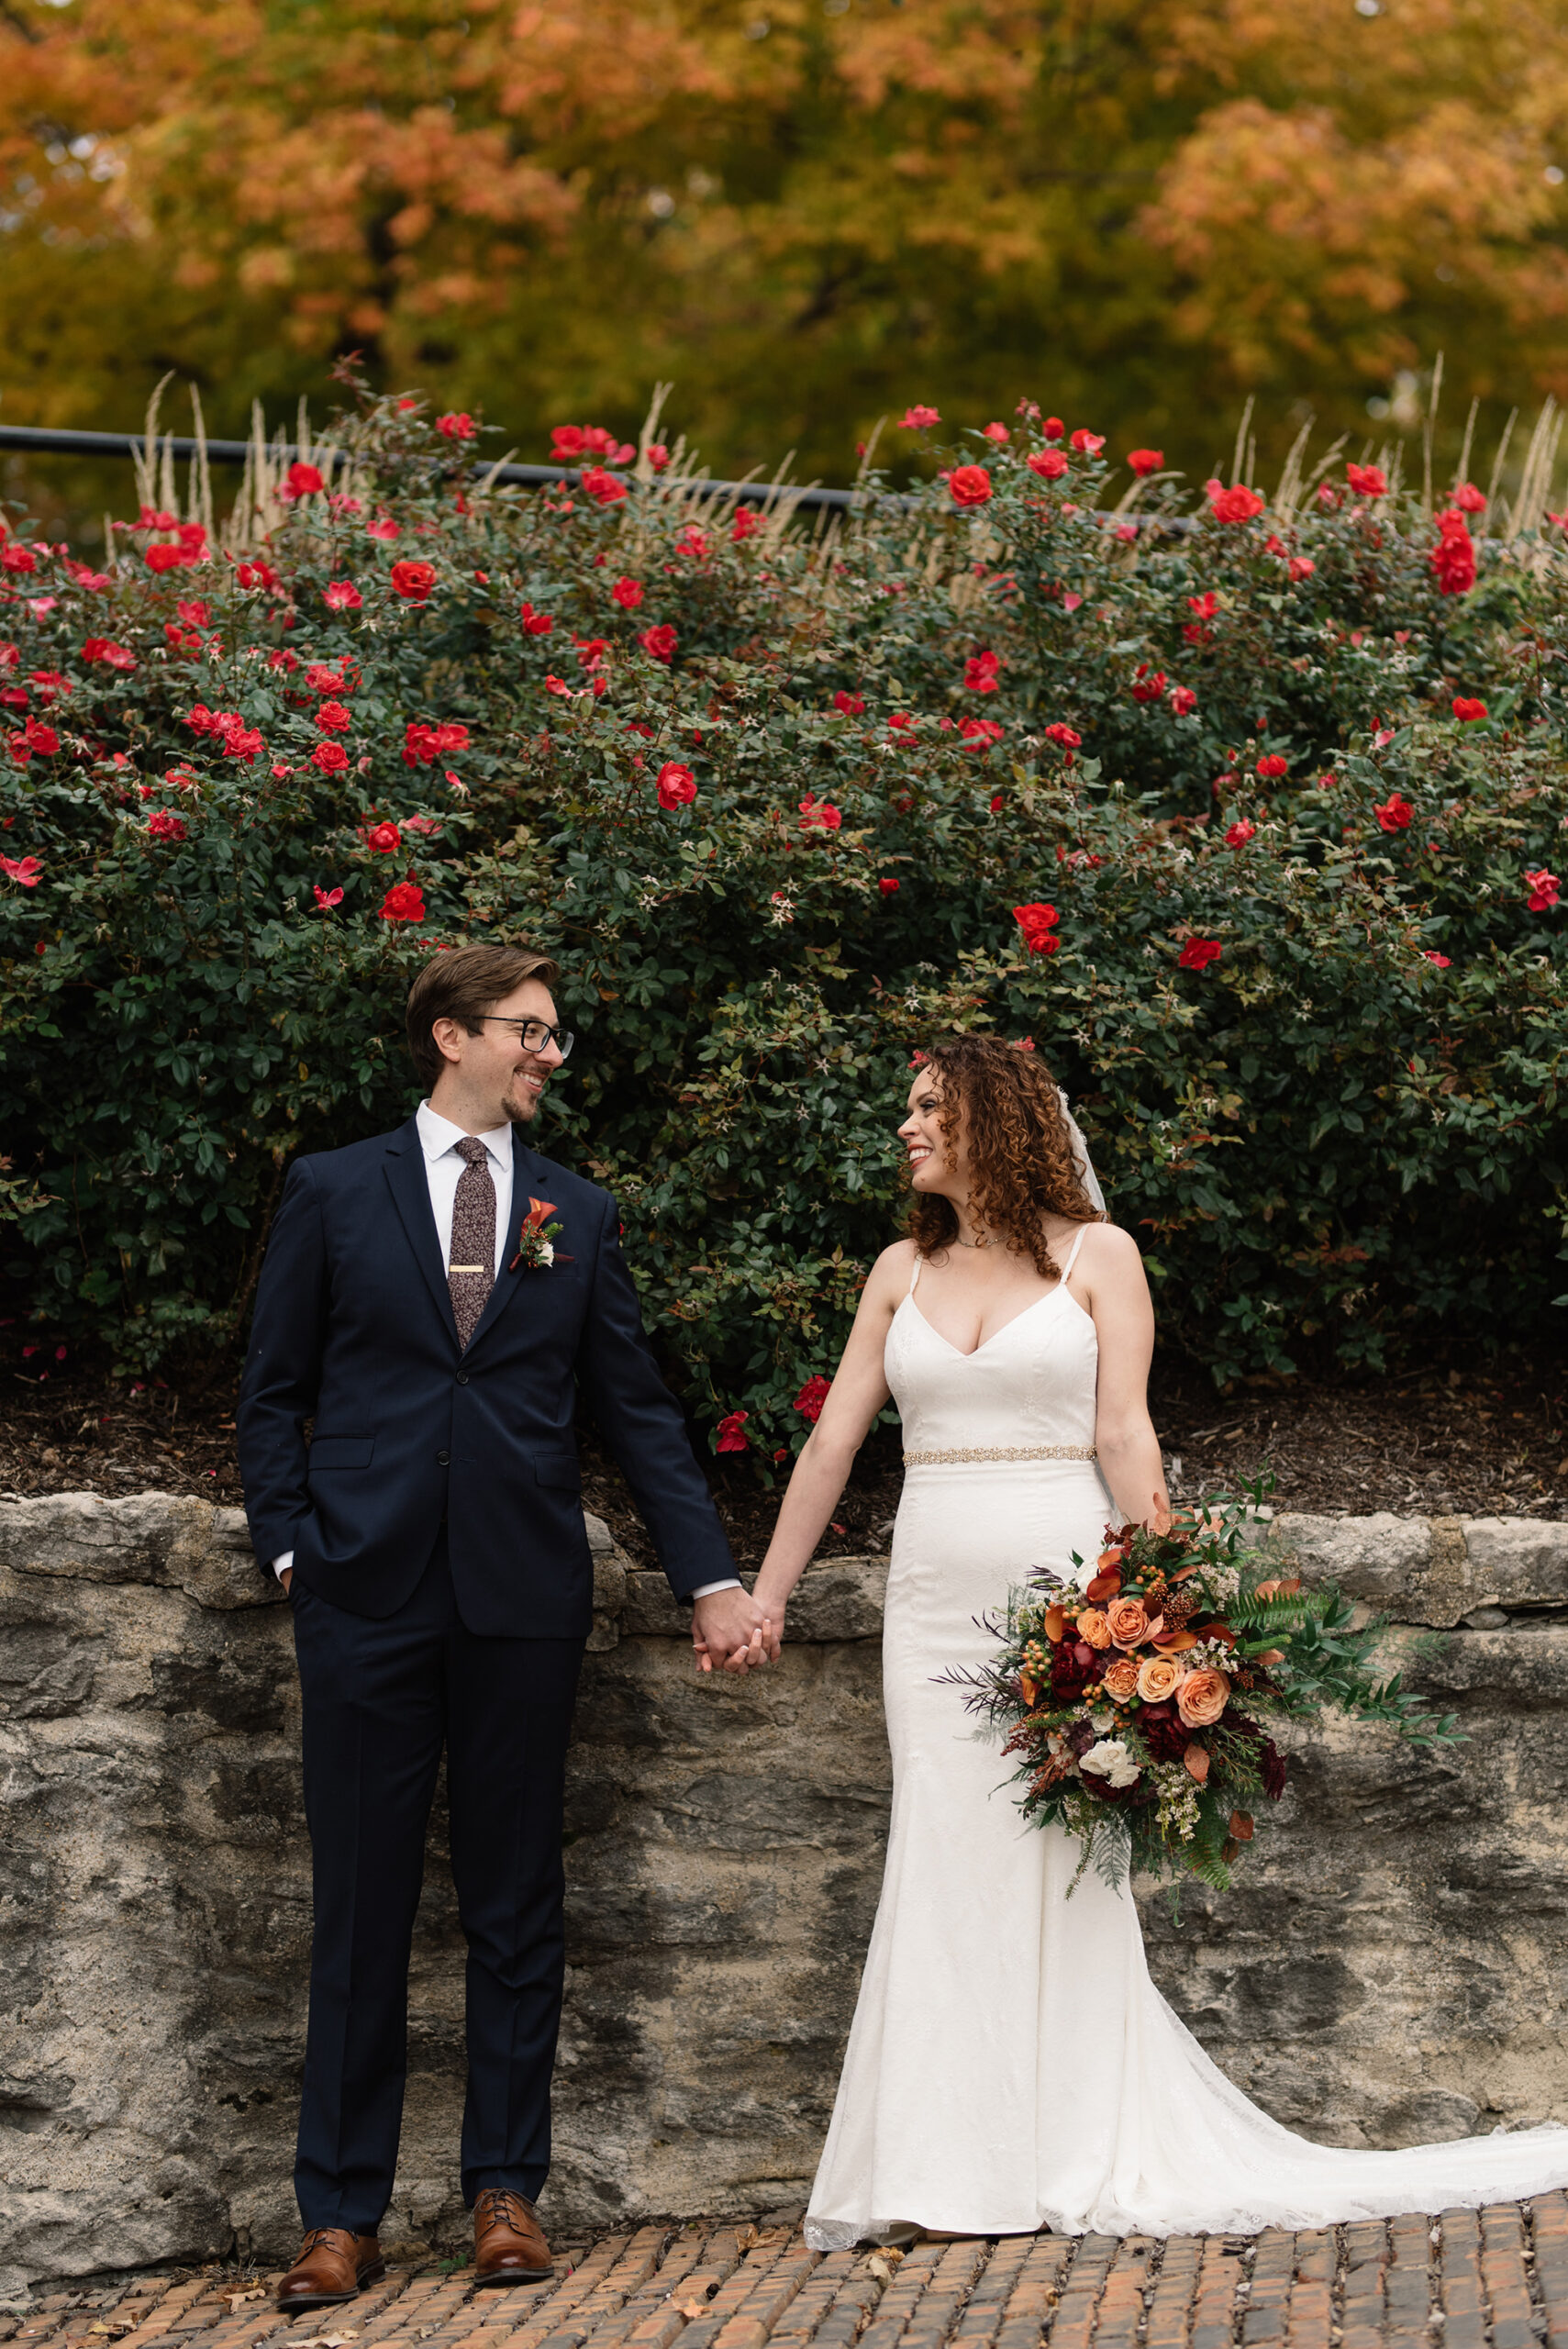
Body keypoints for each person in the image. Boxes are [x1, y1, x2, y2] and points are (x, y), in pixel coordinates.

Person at [732, 1033, 1568, 2243]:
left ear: (994, 1123)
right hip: (927, 1606)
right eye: (906, 1106)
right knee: (940, 1852)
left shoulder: (1098, 1256)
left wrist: (1171, 1610)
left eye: (927, 1107)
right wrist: (766, 1593)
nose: (906, 1126)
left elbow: (1123, 1433)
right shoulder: (893, 1272)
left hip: (1065, 1589)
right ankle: (931, 2170)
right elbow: (828, 1446)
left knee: (1060, 1863)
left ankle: (1060, 2150)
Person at [238, 941, 772, 2310]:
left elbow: (636, 1414)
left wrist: (708, 1577)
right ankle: (338, 2217)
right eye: (529, 1032)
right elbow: (271, 1388)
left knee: (516, 1905)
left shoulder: (574, 1214)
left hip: (523, 1600)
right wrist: (296, 1548)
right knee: (359, 1911)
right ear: (451, 1037)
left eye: (550, 1036)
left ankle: (504, 2196)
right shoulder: (334, 1189)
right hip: (364, 1594)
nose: (547, 1054)